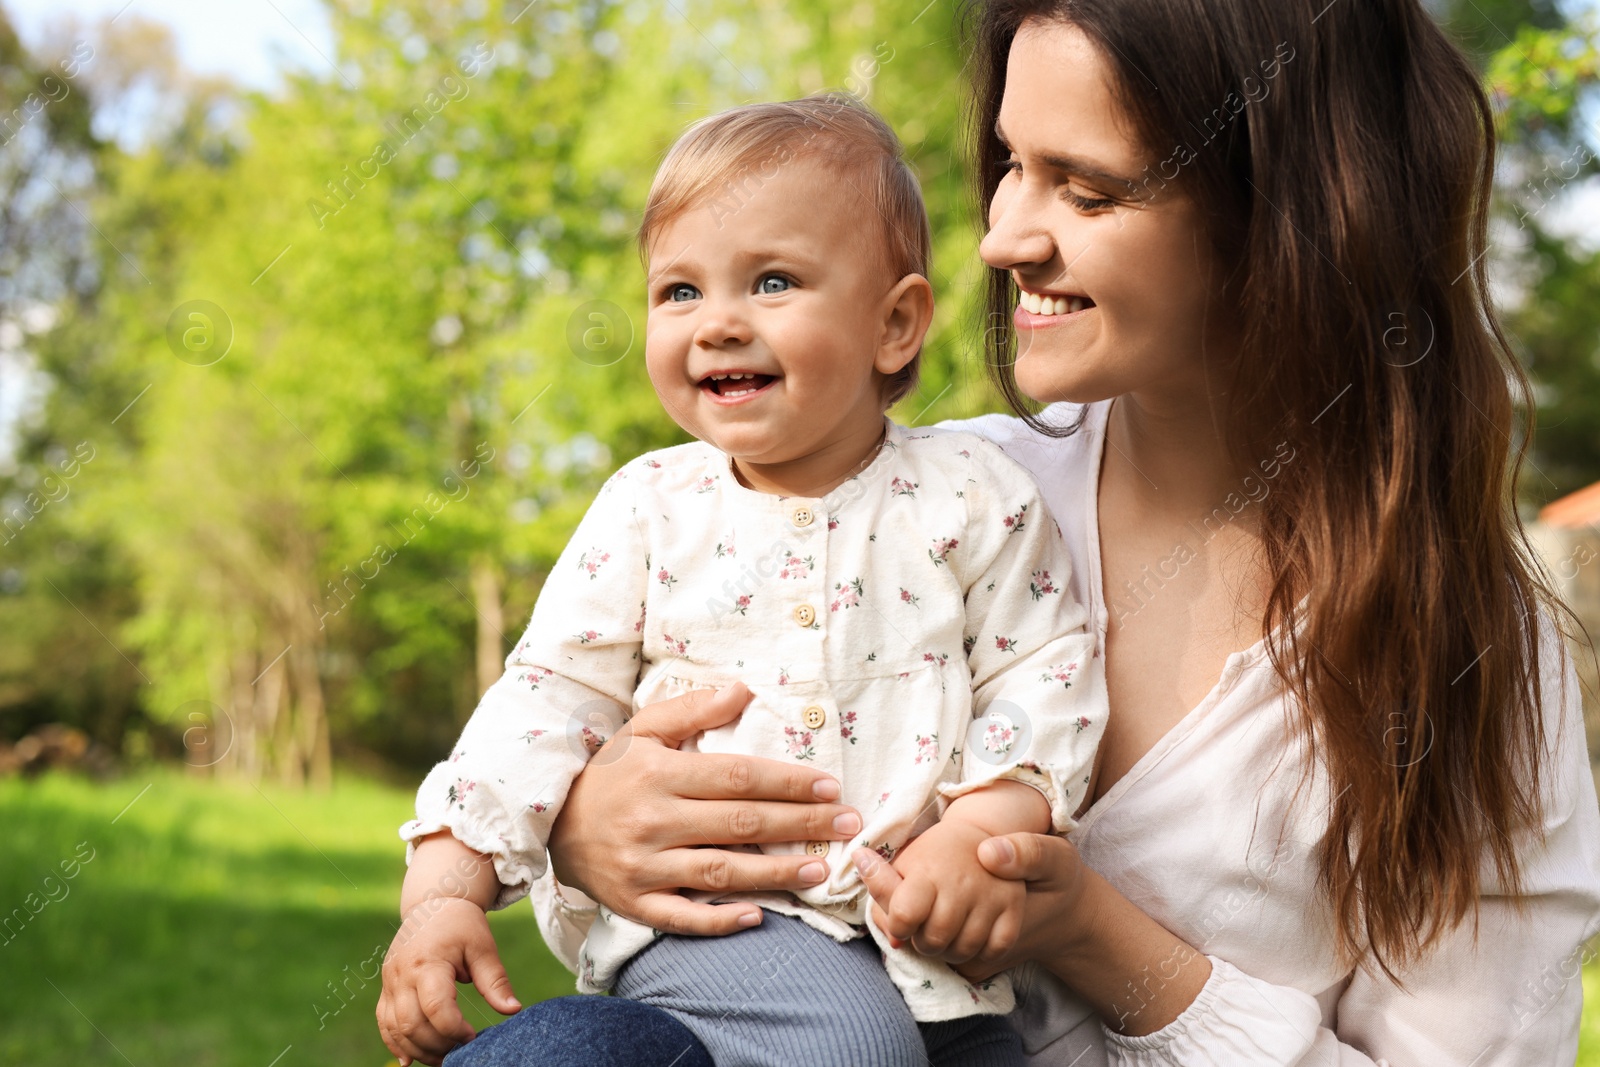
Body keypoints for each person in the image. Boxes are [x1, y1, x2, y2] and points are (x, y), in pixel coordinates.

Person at [382, 0, 1600, 1064]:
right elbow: (567, 711)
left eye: (1087, 188)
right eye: (1010, 165)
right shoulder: (938, 491)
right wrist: (584, 829)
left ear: (1289, 214)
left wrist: (1090, 932)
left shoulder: (1473, 659)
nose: (1003, 236)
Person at [376, 93, 1111, 1067]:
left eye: (770, 280)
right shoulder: (650, 507)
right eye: (677, 291)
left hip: (937, 955)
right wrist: (442, 890)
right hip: (718, 926)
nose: (716, 324)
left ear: (894, 324)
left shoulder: (973, 498)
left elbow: (1043, 668)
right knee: (846, 1044)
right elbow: (547, 698)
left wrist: (984, 822)